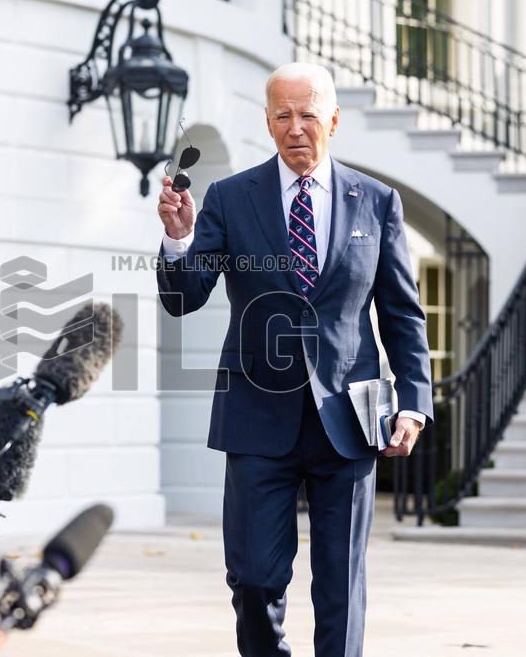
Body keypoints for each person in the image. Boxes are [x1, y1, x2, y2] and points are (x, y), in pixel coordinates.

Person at [155, 62, 433, 656]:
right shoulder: (232, 198)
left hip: (352, 418)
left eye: (308, 114)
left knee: (341, 585)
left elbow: (403, 315)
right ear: (267, 122)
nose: (296, 127)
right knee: (254, 579)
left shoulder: (377, 202)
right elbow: (183, 298)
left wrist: (413, 402)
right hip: (257, 418)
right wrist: (179, 238)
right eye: (282, 115)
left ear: (333, 119)